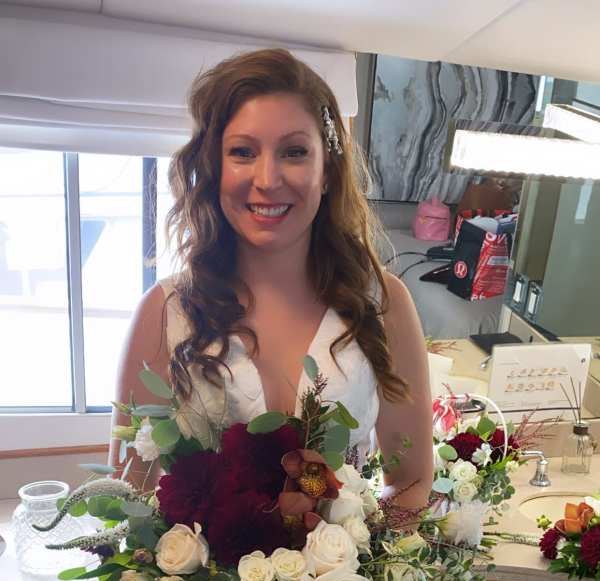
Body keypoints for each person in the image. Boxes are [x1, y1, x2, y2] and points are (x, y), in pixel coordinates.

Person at [109, 48, 433, 510]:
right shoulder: (164, 314)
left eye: (294, 152)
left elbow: (412, 482)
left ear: (327, 170)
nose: (267, 178)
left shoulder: (384, 304)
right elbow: (127, 501)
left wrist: (360, 552)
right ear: (214, 169)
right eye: (242, 152)